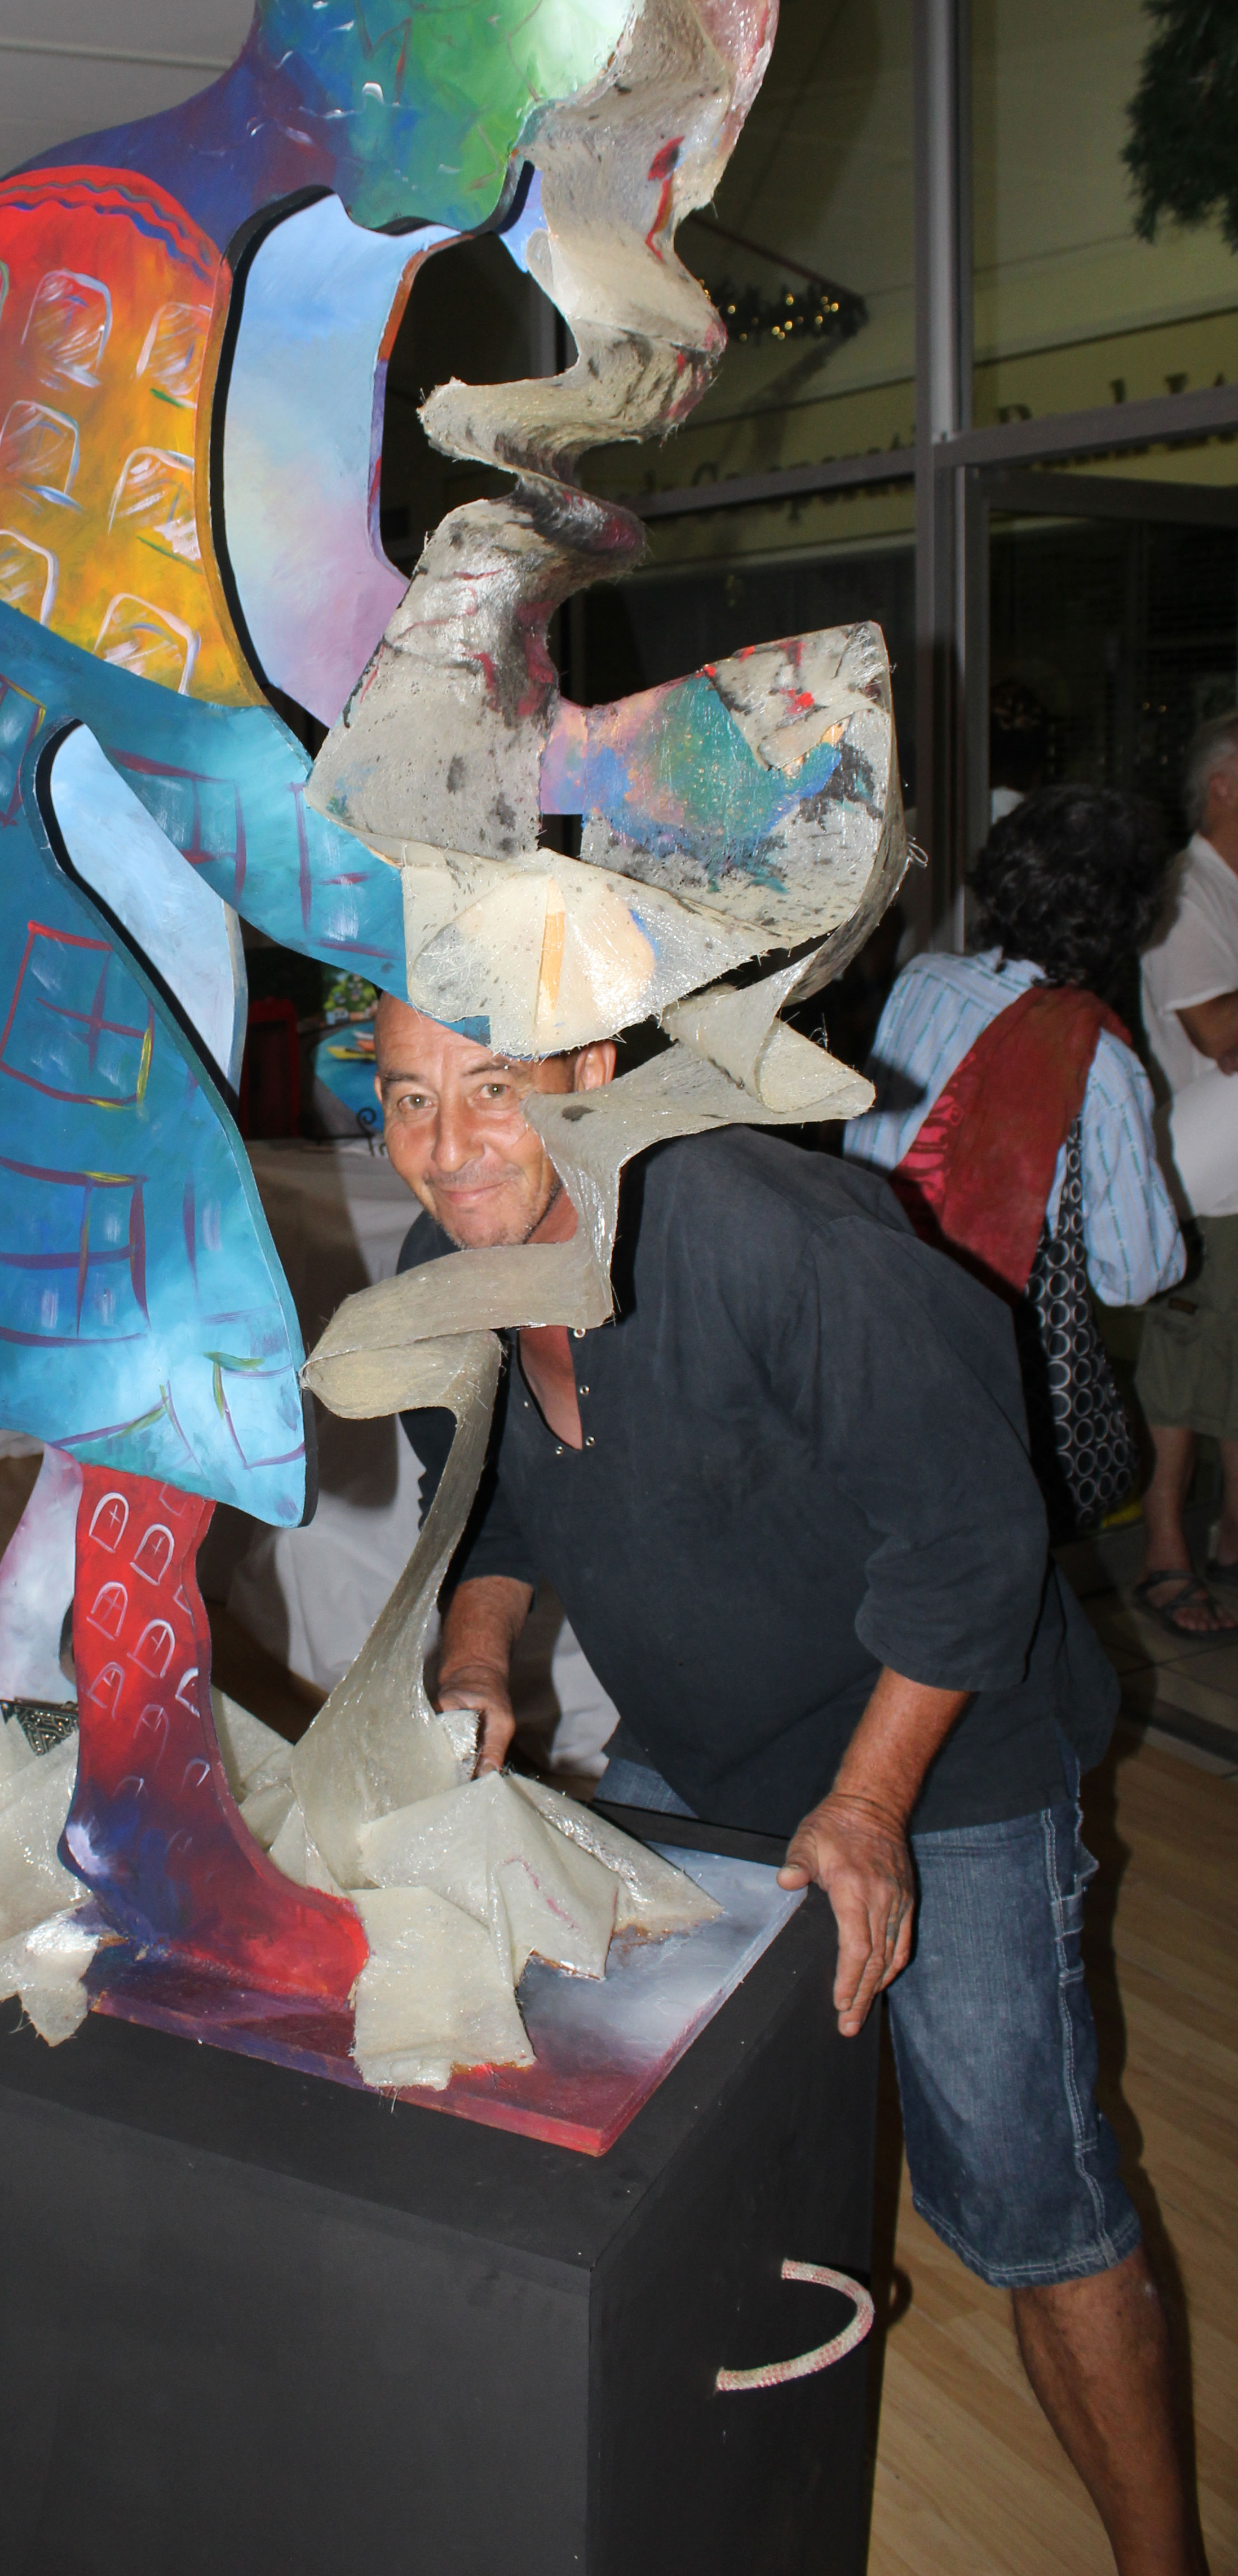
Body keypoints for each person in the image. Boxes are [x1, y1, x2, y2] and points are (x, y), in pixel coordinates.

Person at [375, 992, 1208, 2576]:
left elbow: (974, 1539)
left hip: (942, 1749)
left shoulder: (766, 1234)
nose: (449, 1144)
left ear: (593, 1071)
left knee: (1031, 2199)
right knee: (643, 2116)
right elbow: (484, 1513)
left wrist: (870, 1806)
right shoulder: (450, 1269)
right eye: (409, 1099)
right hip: (710, 1745)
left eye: (492, 1088)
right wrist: (479, 1666)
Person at [845, 784, 1199, 1602]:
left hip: (881, 1325)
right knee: (997, 1594)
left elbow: (869, 1148)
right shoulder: (1101, 1065)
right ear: (1129, 918)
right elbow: (1133, 1275)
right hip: (999, 1382)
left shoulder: (922, 981)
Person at [1134, 710, 1238, 1634]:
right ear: (1223, 786)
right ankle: (1165, 1547)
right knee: (1184, 1360)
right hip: (1206, 1172)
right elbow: (1218, 1033)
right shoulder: (1186, 893)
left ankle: (1233, 1536)